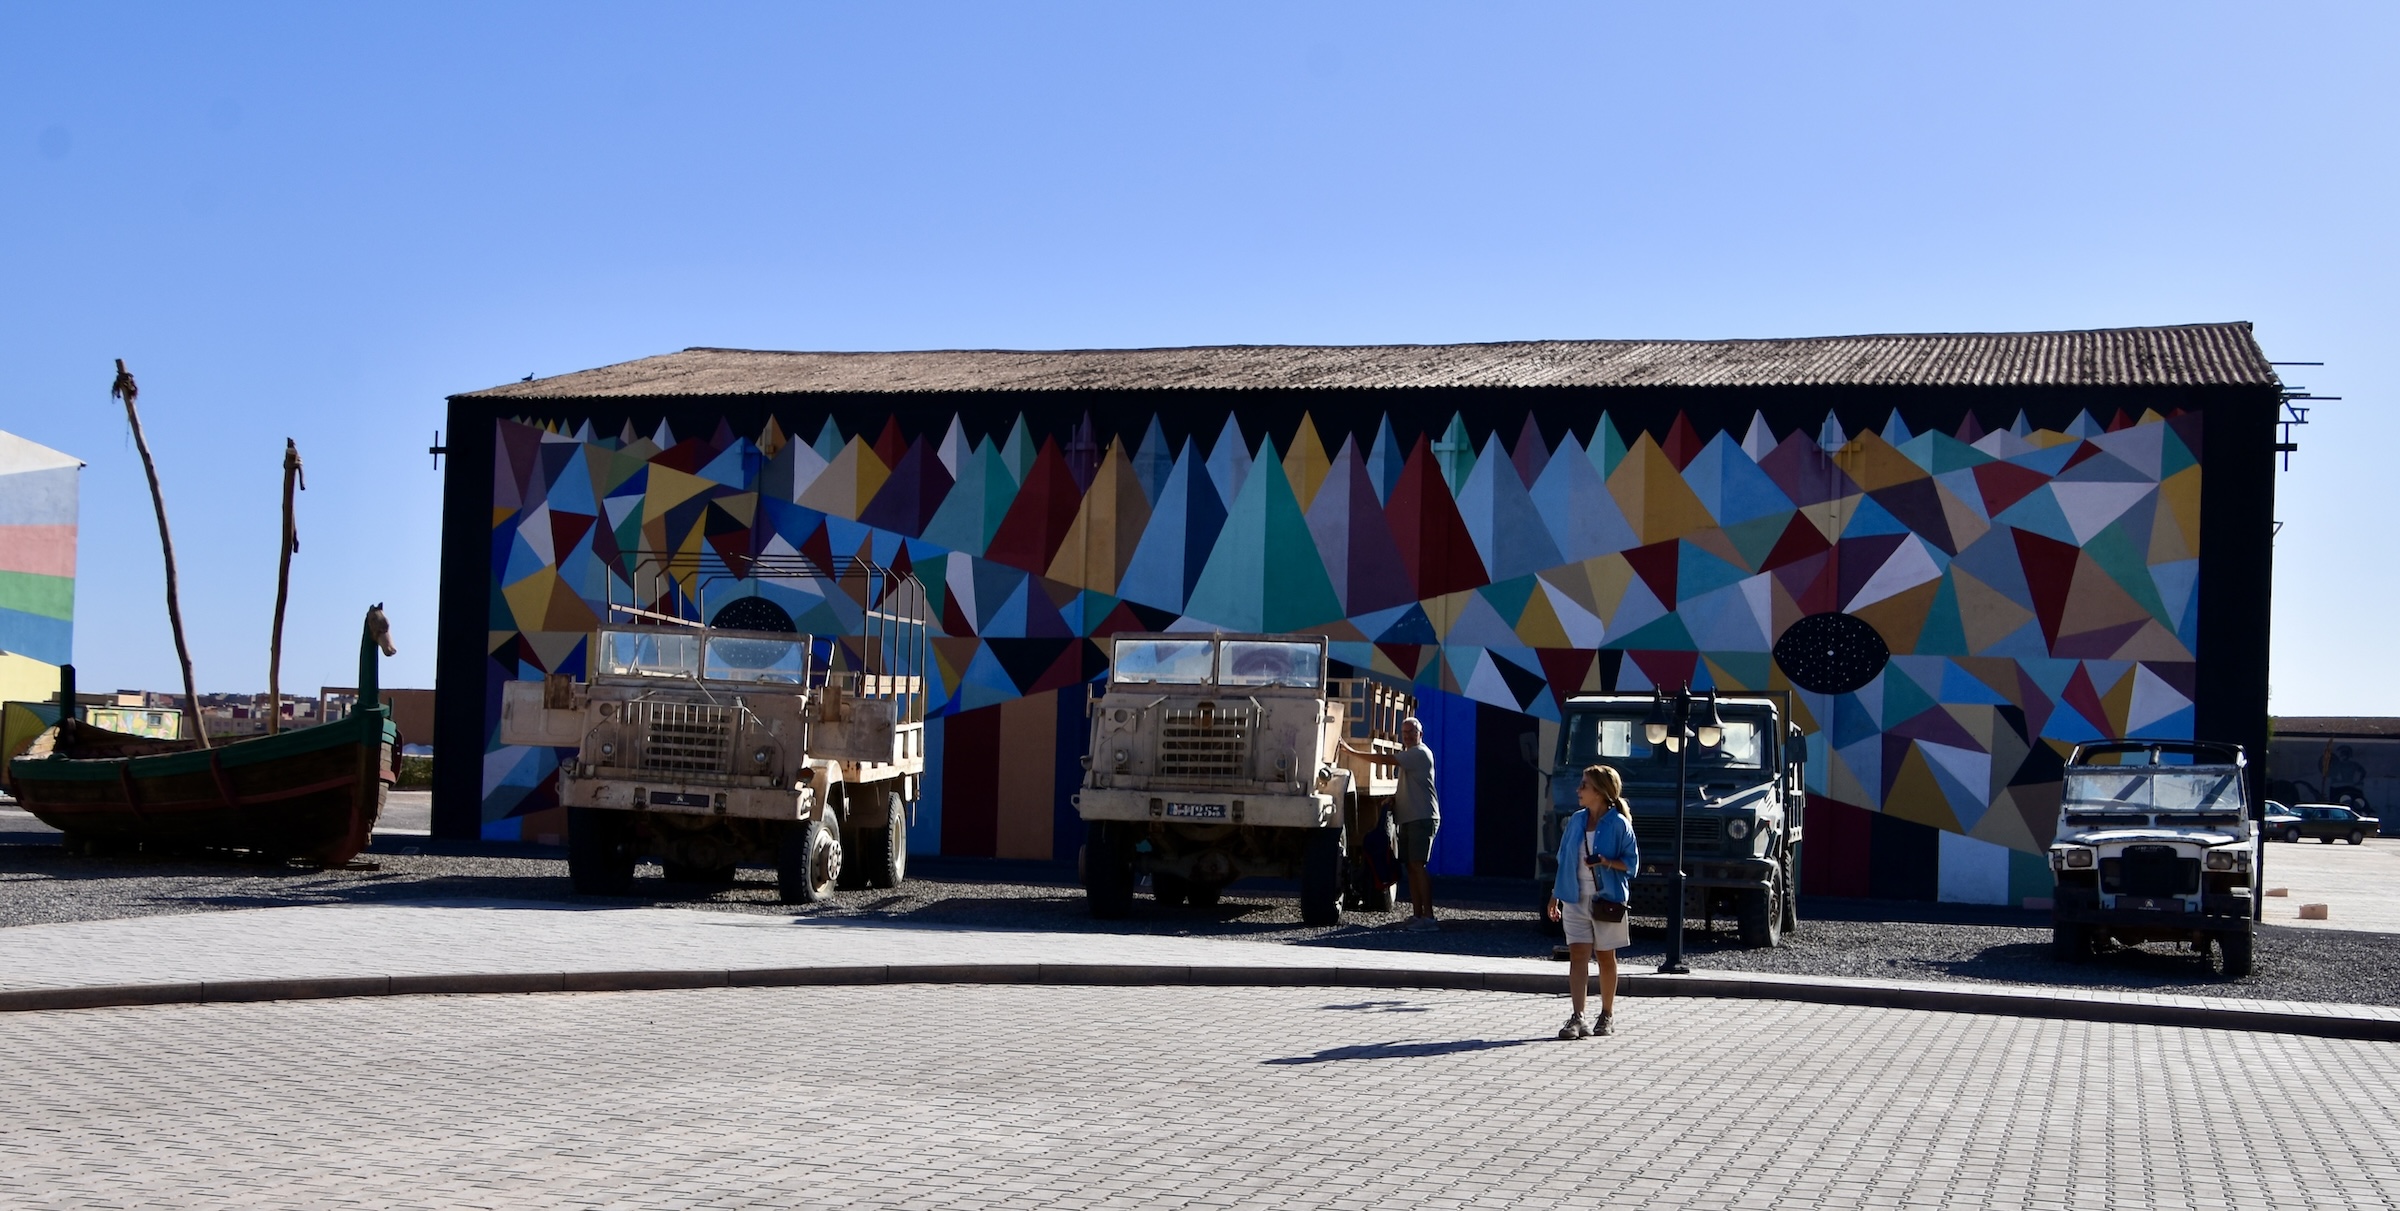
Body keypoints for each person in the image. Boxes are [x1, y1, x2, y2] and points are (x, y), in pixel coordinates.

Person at [1547, 764, 1638, 1039]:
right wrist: (1555, 895)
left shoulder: (1619, 823)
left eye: (1584, 785)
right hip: (1574, 898)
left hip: (1606, 901)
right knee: (1578, 956)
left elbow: (1632, 864)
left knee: (1606, 957)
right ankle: (1578, 1017)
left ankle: (1607, 1015)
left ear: (1599, 792)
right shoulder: (1576, 820)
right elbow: (1564, 858)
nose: (1578, 790)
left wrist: (1606, 862)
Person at [1393, 716, 1440, 931]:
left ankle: (1429, 917)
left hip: (1422, 817)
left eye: (1412, 732)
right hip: (1410, 817)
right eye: (1405, 733)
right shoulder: (1409, 754)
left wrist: (1352, 753)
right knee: (1411, 867)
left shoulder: (1420, 753)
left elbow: (1386, 760)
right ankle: (1417, 914)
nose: (1408, 736)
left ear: (1420, 733)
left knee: (1418, 866)